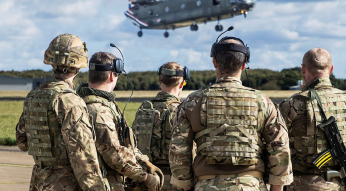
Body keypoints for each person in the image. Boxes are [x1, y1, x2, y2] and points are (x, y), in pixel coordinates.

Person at [169, 35, 293, 191]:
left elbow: (178, 149)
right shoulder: (263, 102)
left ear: (214, 62)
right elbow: (280, 148)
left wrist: (187, 186)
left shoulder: (192, 102)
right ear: (244, 65)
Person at [16, 34, 106, 190]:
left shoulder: (34, 95)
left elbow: (22, 142)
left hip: (39, 181)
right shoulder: (69, 100)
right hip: (65, 183)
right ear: (78, 63)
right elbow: (83, 156)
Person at [77, 51, 163, 191]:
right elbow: (113, 153)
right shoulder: (98, 110)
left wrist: (144, 162)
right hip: (101, 184)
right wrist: (144, 177)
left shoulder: (87, 102)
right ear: (112, 76)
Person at [279, 48, 346, 190]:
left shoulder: (294, 103)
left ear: (303, 69)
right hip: (342, 184)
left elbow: (276, 144)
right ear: (331, 69)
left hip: (305, 184)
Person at [132, 62, 189, 191]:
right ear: (182, 83)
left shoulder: (143, 109)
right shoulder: (181, 111)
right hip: (173, 181)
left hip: (146, 179)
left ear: (160, 80)